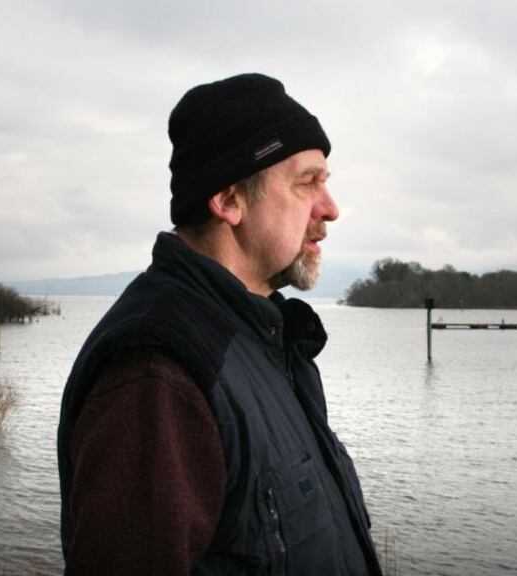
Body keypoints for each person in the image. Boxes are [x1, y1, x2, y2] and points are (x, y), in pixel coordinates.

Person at [57, 73, 381, 575]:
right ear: (229, 200)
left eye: (326, 181)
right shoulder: (158, 375)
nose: (331, 208)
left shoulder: (269, 341)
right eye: (307, 182)